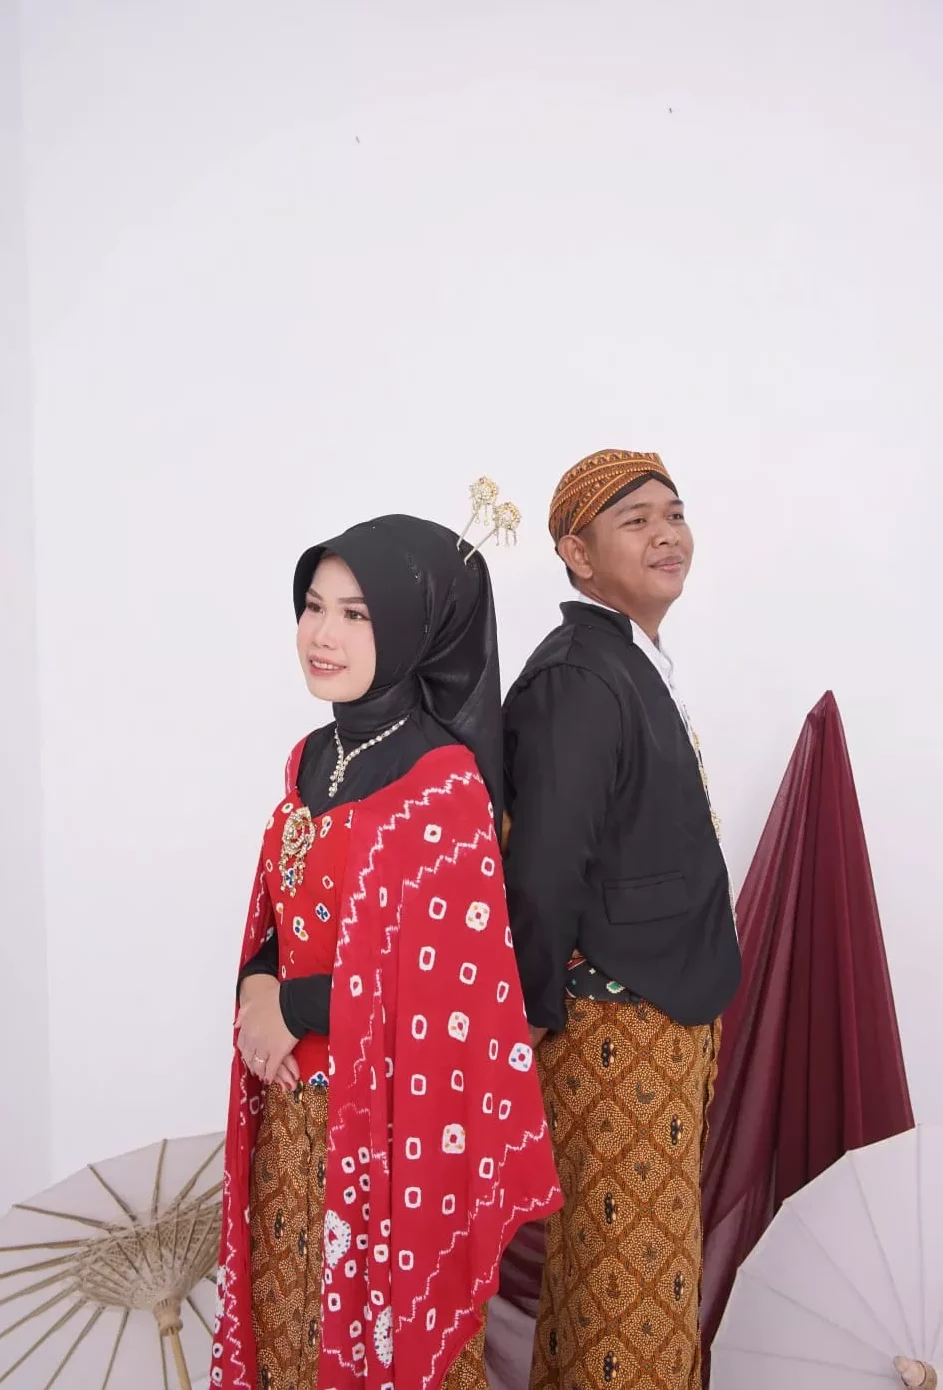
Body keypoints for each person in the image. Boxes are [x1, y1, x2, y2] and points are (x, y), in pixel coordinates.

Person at [213, 511, 561, 1390]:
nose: (322, 635)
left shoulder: (441, 783)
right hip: (291, 1122)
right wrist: (257, 991)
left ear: (414, 627)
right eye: (313, 606)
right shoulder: (309, 758)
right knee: (288, 1343)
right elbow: (279, 916)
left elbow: (443, 997)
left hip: (389, 1142)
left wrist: (290, 1009)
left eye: (356, 614)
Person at [501, 449, 742, 1390]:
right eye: (634, 520)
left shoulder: (621, 659)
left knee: (635, 1275)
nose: (665, 535)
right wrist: (530, 1014)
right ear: (577, 554)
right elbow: (542, 864)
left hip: (654, 1016)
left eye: (672, 514)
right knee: (622, 1285)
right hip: (612, 1026)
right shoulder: (575, 675)